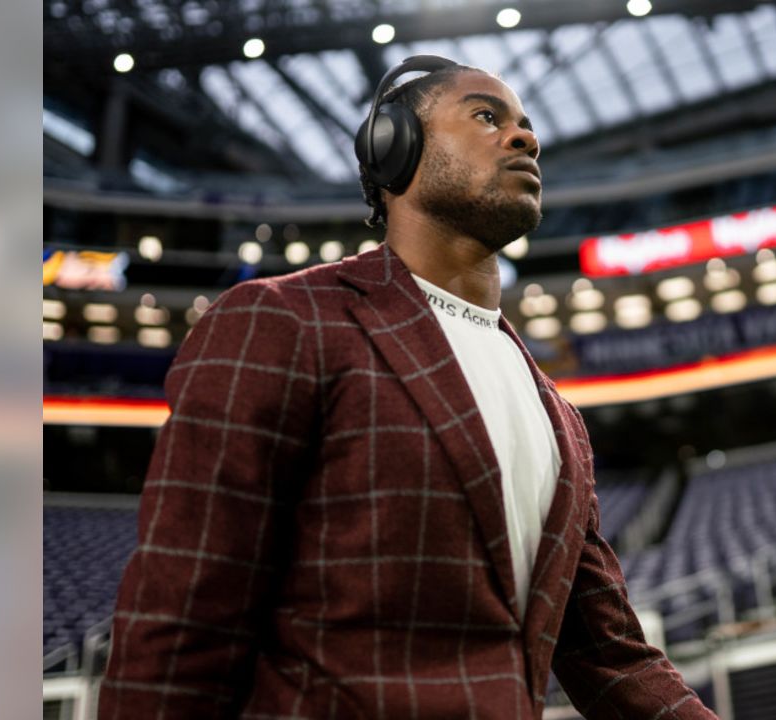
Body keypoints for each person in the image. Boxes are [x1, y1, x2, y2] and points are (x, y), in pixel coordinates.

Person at [98, 56, 716, 719]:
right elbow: (182, 616)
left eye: (528, 126)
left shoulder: (557, 413)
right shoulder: (285, 320)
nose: (525, 138)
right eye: (486, 116)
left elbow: (611, 656)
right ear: (394, 146)